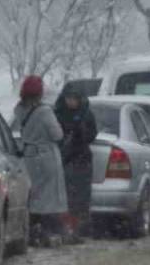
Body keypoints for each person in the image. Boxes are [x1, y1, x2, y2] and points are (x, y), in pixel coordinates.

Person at [12, 75, 68, 247]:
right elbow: (57, 134)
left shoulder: (19, 109)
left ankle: (32, 229)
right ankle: (48, 231)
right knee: (50, 195)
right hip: (46, 156)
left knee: (34, 193)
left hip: (28, 156)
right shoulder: (45, 111)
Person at [54, 85, 98, 242]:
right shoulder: (58, 113)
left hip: (81, 159)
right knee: (64, 199)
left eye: (74, 99)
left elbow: (92, 134)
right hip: (64, 160)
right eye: (68, 98)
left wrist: (81, 133)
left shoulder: (87, 114)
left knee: (79, 200)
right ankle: (65, 230)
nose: (71, 102)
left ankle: (76, 230)